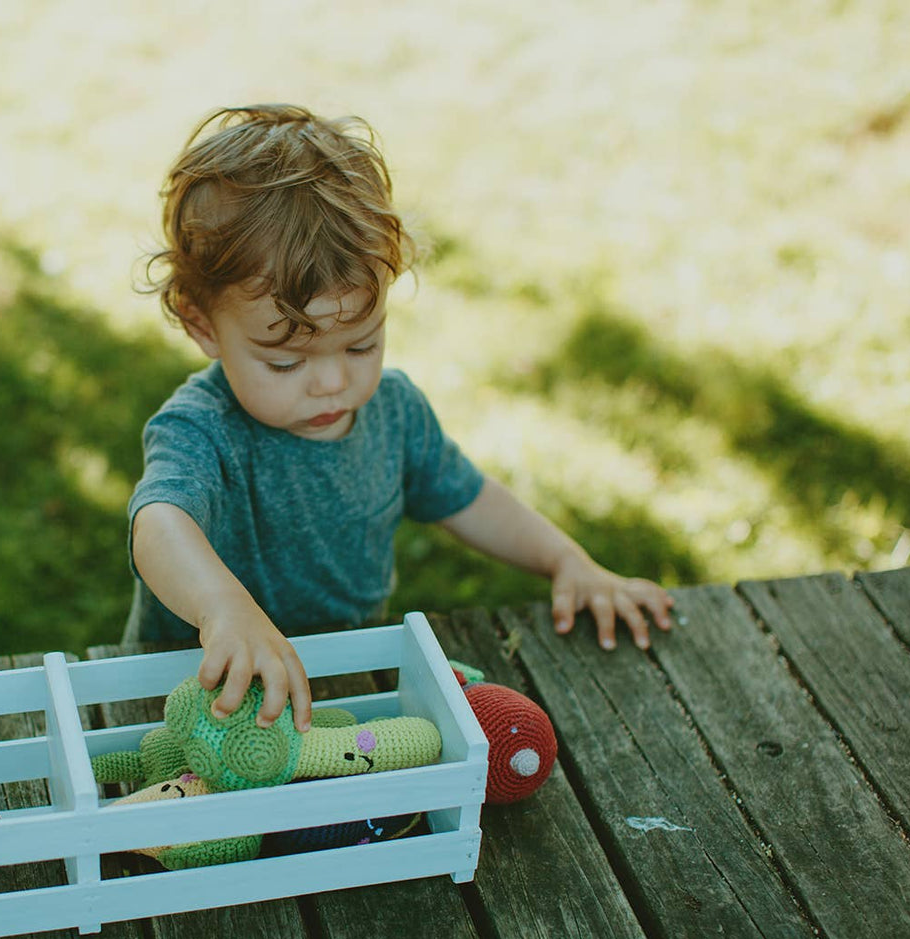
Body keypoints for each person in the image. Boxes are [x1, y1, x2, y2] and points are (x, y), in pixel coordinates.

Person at [125, 104, 674, 734]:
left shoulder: (393, 410)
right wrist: (223, 608)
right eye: (284, 362)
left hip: (343, 681)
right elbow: (159, 524)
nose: (334, 381)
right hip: (197, 694)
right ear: (202, 326)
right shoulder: (202, 429)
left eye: (361, 344)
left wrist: (567, 561)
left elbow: (466, 498)